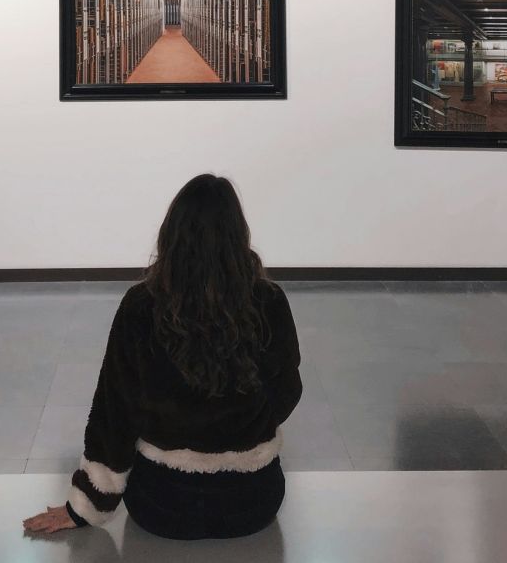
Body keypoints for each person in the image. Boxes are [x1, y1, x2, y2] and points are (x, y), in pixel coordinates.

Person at [23, 174, 302, 540]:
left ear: (172, 234)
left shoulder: (140, 307)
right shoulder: (270, 302)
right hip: (252, 503)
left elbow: (114, 414)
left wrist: (85, 506)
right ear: (238, 234)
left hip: (163, 505)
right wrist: (241, 428)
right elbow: (287, 392)